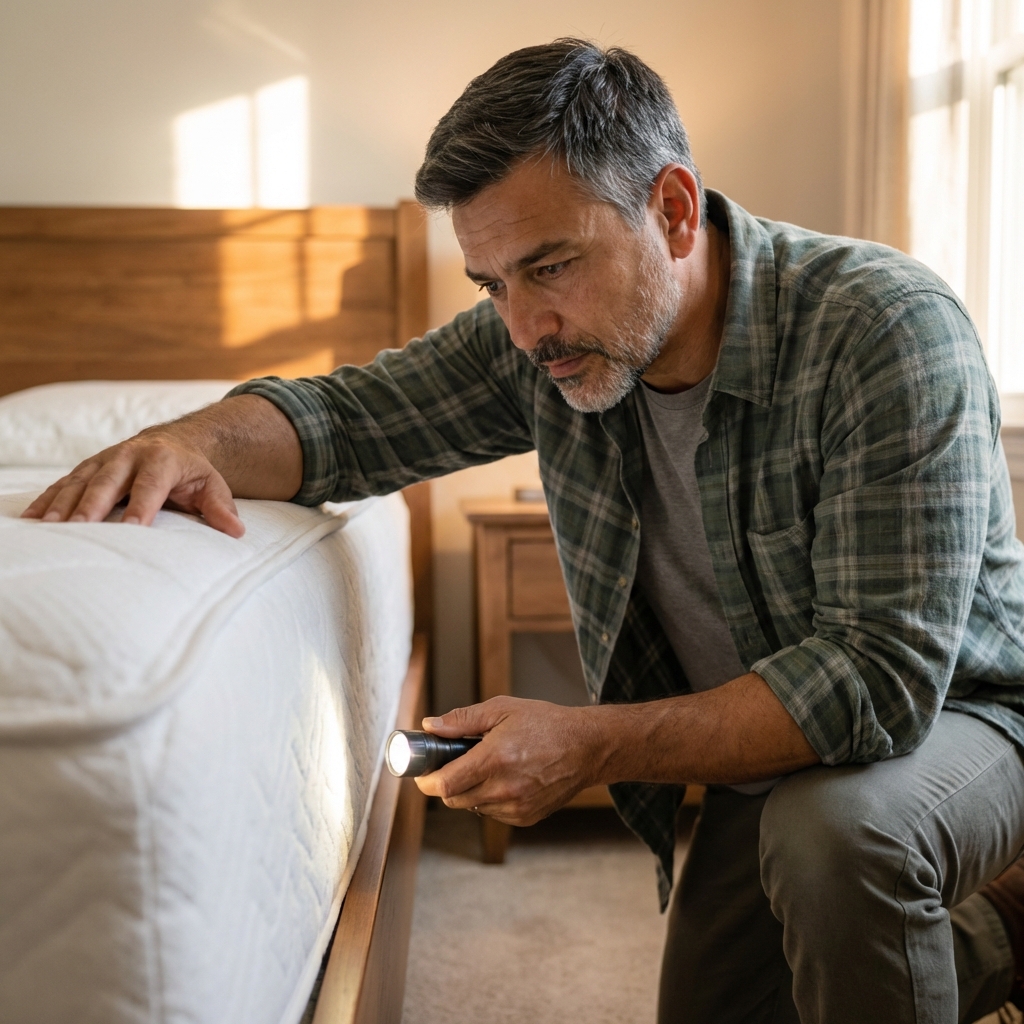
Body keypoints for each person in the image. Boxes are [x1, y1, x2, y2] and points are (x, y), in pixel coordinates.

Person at [22, 38, 1024, 1024]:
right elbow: (347, 421)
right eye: (492, 284)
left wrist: (592, 745)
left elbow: (879, 681)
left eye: (550, 266)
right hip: (770, 755)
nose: (523, 325)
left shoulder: (883, 326)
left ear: (671, 210)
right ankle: (1000, 937)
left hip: (967, 716)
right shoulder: (545, 340)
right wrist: (185, 435)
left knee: (833, 836)